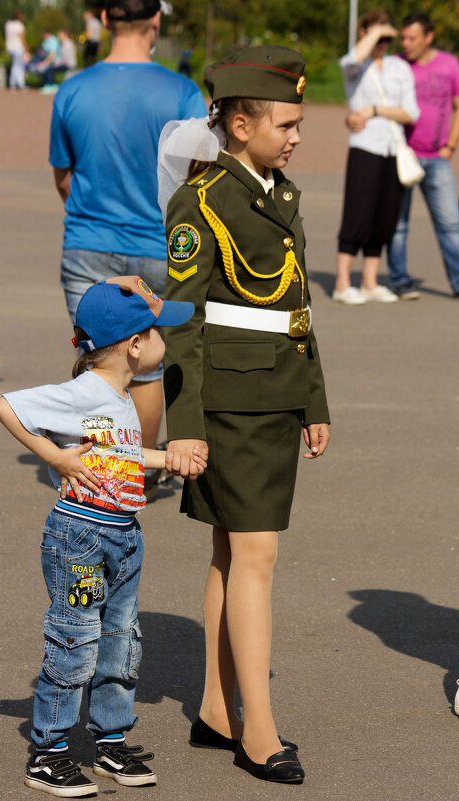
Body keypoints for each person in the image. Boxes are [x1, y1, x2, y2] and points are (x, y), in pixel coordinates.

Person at [161, 45, 330, 783]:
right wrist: (186, 422)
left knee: (234, 555)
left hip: (272, 396)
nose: (296, 134)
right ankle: (257, 729)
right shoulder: (202, 203)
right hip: (227, 405)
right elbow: (181, 321)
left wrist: (312, 397)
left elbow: (295, 307)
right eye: (286, 122)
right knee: (257, 557)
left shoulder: (275, 190)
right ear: (238, 122)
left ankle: (215, 706)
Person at [0, 276, 205, 797]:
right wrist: (55, 456)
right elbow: (7, 407)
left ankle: (109, 740)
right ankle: (49, 753)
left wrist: (169, 458)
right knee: (76, 641)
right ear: (134, 345)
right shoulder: (84, 391)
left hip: (124, 537)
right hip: (81, 539)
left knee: (120, 642)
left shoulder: (117, 393)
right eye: (157, 331)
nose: (163, 339)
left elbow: (118, 454)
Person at [49, 0, 206, 491]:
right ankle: (143, 470)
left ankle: (99, 465)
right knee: (147, 367)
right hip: (158, 244)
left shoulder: (72, 89)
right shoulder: (183, 91)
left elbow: (63, 175)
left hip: (87, 241)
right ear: (155, 21)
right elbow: (200, 176)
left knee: (99, 362)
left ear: (103, 20)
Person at [333, 9, 420, 305]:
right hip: (365, 146)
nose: (383, 40)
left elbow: (411, 112)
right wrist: (373, 32)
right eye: (375, 34)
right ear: (364, 33)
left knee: (385, 217)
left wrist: (373, 110)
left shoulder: (400, 68)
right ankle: (343, 282)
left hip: (393, 149)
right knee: (358, 213)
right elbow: (349, 60)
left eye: (386, 35)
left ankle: (370, 281)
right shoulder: (357, 66)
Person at [386, 13, 459, 299]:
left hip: (438, 157)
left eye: (412, 38)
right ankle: (400, 280)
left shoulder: (450, 65)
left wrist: (450, 146)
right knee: (398, 224)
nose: (405, 43)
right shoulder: (396, 65)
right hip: (403, 156)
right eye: (402, 37)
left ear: (429, 37)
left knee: (450, 223)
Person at [5, 10, 29, 90]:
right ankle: (19, 83)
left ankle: (13, 83)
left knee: (15, 65)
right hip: (18, 47)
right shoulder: (19, 25)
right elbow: (22, 38)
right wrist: (26, 48)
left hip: (10, 47)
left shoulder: (8, 24)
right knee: (18, 66)